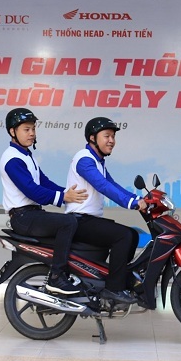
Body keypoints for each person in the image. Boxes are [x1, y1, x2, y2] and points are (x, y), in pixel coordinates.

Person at [0, 108, 88, 295]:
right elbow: (32, 190)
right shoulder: (12, 159)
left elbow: (44, 182)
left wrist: (67, 193)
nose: (32, 133)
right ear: (12, 131)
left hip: (32, 214)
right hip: (23, 217)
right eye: (26, 129)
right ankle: (57, 277)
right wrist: (63, 197)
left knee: (75, 222)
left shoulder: (26, 155)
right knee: (68, 222)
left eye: (33, 129)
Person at [65, 117, 147, 304]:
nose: (111, 140)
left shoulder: (97, 161)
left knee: (132, 235)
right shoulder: (84, 159)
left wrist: (138, 199)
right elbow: (102, 185)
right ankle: (114, 288)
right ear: (92, 138)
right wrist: (130, 203)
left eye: (113, 137)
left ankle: (120, 281)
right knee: (124, 236)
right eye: (107, 136)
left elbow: (112, 184)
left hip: (88, 220)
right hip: (79, 221)